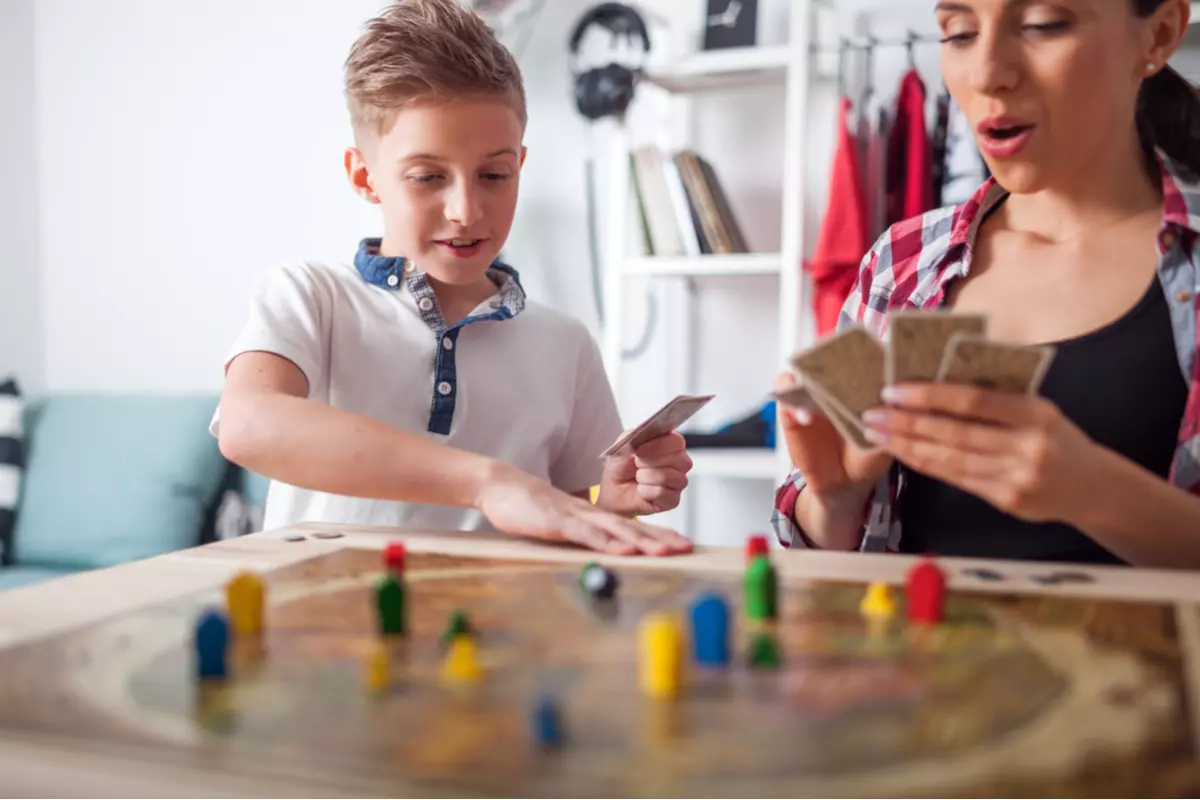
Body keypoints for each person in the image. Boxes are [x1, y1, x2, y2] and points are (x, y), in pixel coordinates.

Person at [211, 0, 693, 557]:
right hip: (325, 629)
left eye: (494, 174)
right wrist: (490, 482)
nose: (466, 209)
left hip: (495, 632)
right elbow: (246, 424)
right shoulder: (310, 298)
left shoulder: (566, 345)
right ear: (365, 177)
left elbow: (566, 511)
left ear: (520, 164)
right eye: (428, 176)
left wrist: (605, 505)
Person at [774, 0, 1200, 569]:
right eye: (960, 32)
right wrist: (836, 497)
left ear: (1160, 33)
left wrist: (1097, 493)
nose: (986, 73)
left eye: (1045, 24)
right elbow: (833, 556)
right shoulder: (904, 260)